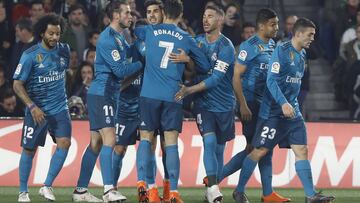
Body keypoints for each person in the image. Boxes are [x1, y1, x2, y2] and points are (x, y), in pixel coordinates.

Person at [232, 18, 336, 203]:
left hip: (292, 113)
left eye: (314, 35)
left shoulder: (302, 54)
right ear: (298, 33)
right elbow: (271, 81)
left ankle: (310, 195)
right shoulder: (281, 51)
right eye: (310, 34)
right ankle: (239, 191)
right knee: (259, 151)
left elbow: (293, 84)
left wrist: (290, 104)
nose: (313, 38)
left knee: (301, 150)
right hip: (273, 112)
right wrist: (283, 103)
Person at [134, 0, 211, 202]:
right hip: (173, 97)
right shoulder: (187, 38)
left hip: (149, 95)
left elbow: (135, 31)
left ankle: (147, 187)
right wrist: (187, 59)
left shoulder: (147, 31)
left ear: (162, 12)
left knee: (146, 139)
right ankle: (173, 192)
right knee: (171, 144)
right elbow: (204, 65)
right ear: (180, 15)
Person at [72, 0, 143, 202]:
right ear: (115, 15)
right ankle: (109, 190)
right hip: (103, 93)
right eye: (127, 13)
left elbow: (126, 54)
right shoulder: (108, 38)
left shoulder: (119, 37)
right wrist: (141, 62)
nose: (131, 16)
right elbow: (120, 71)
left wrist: (137, 47)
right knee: (110, 139)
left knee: (96, 143)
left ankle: (80, 191)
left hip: (106, 93)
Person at [218, 8, 290, 203]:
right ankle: (220, 181)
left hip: (265, 103)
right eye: (272, 24)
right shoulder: (247, 46)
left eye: (276, 23)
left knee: (265, 148)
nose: (276, 27)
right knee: (254, 149)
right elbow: (235, 77)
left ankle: (267, 193)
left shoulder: (273, 44)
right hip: (250, 103)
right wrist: (242, 105)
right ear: (261, 25)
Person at [172, 4, 236, 202]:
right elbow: (192, 70)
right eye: (204, 16)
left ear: (220, 20)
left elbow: (216, 78)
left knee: (219, 148)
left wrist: (189, 90)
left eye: (210, 16)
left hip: (225, 103)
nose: (205, 20)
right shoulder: (197, 42)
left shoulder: (226, 47)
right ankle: (215, 188)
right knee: (208, 141)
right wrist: (186, 60)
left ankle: (211, 188)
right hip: (203, 103)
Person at [112, 1, 170, 203]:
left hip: (146, 106)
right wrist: (137, 67)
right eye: (144, 35)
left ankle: (144, 186)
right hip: (126, 107)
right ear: (137, 36)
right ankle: (112, 189)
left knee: (149, 146)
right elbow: (119, 80)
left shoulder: (156, 52)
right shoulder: (128, 52)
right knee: (119, 148)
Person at [13, 13, 72, 202]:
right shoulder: (30, 55)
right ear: (41, 33)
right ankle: (23, 191)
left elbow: (63, 74)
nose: (55, 37)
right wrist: (32, 106)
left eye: (58, 34)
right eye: (51, 34)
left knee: (64, 143)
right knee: (29, 150)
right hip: (37, 110)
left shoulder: (64, 50)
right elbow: (17, 85)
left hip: (60, 108)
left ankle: (47, 186)